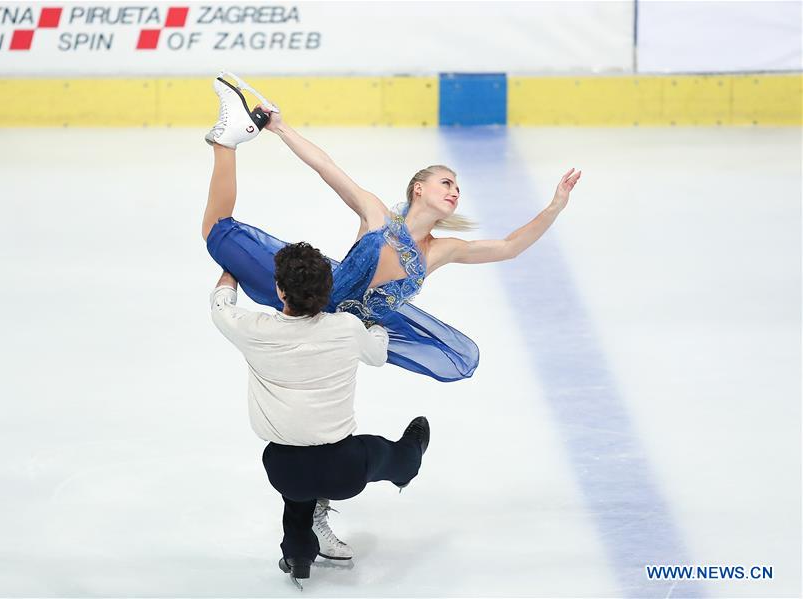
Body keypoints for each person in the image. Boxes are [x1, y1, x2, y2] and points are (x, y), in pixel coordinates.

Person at [201, 71, 582, 383]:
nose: (455, 192)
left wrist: (554, 207)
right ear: (419, 189)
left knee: (218, 237)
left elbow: (509, 247)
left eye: (458, 188)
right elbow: (326, 167)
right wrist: (281, 129)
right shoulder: (377, 215)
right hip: (306, 300)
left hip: (334, 339)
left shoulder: (439, 251)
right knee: (217, 233)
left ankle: (229, 140)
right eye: (446, 183)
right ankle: (229, 140)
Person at [209, 241, 431, 588]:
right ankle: (409, 464)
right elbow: (377, 355)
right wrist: (374, 329)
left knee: (299, 489)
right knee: (385, 453)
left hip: (283, 469)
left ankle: (298, 552)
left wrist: (231, 264)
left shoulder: (252, 329)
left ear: (279, 290)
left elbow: (221, 304)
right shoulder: (345, 327)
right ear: (328, 290)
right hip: (343, 469)